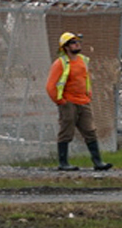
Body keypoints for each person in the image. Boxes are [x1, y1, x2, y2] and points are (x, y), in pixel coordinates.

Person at [47, 32, 111, 171]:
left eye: (78, 42)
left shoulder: (82, 60)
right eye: (73, 42)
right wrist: (60, 101)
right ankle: (63, 163)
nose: (77, 44)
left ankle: (98, 161)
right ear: (66, 47)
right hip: (68, 103)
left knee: (90, 131)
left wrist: (88, 95)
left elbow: (85, 79)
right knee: (66, 131)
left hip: (83, 101)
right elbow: (50, 86)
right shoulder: (60, 63)